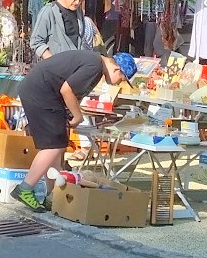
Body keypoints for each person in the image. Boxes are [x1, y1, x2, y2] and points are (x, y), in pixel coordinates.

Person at [10, 50, 137, 212]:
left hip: (41, 91)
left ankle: (52, 194)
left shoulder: (95, 65)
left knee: (57, 145)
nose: (119, 83)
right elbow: (66, 89)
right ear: (117, 69)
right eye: (122, 79)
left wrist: (71, 112)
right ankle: (25, 188)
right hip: (41, 92)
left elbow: (74, 93)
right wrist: (77, 116)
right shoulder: (94, 66)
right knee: (53, 146)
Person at [29, 0, 93, 60]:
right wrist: (52, 61)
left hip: (75, 67)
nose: (77, 2)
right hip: (55, 69)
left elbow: (79, 40)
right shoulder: (48, 11)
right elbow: (36, 42)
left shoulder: (79, 12)